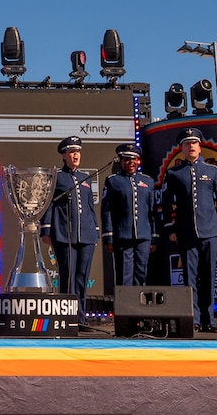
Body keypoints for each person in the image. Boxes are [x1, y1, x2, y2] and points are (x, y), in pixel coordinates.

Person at [161, 127, 217, 333]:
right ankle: (195, 319)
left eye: (194, 143)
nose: (191, 147)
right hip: (186, 231)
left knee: (209, 276)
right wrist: (170, 227)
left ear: (200, 147)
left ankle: (209, 320)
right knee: (190, 278)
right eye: (187, 144)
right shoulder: (174, 173)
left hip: (209, 231)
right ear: (181, 148)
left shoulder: (212, 171)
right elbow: (165, 202)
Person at [40, 136, 99, 325]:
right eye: (72, 152)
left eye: (78, 152)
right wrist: (46, 229)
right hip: (65, 234)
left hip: (86, 234)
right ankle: (66, 318)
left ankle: (80, 318)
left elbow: (90, 207)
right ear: (64, 155)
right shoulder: (57, 176)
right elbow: (48, 203)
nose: (76, 155)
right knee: (68, 277)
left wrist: (95, 231)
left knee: (82, 277)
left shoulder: (85, 178)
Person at [101, 143, 158, 287]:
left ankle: (139, 307)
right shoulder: (113, 181)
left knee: (141, 273)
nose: (131, 162)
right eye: (127, 159)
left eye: (134, 159)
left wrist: (154, 237)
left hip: (144, 236)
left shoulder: (148, 181)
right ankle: (124, 308)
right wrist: (109, 236)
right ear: (120, 161)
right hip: (123, 236)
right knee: (124, 275)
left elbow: (153, 211)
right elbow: (107, 210)